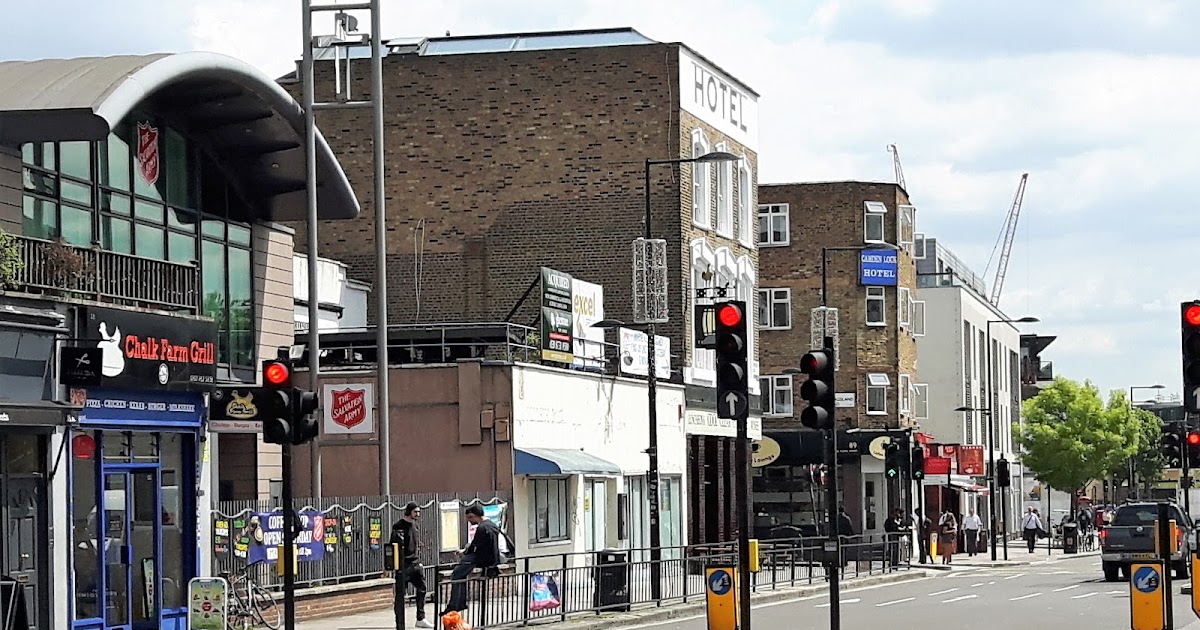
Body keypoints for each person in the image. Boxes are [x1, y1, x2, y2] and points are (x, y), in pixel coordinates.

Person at [441, 505, 503, 616]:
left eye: (470, 518)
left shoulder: (482, 528)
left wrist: (465, 553)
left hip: (481, 558)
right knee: (461, 575)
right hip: (490, 558)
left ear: (475, 516)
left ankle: (455, 605)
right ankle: (459, 602)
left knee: (456, 574)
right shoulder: (492, 525)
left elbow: (475, 545)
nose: (469, 521)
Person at [390, 502, 433, 628]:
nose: (418, 514)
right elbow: (394, 545)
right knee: (400, 594)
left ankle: (420, 618)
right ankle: (400, 623)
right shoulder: (399, 526)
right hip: (404, 565)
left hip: (415, 563)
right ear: (409, 511)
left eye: (419, 512)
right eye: (416, 512)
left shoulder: (414, 524)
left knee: (422, 588)